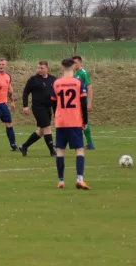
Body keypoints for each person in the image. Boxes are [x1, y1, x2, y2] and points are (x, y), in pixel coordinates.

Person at [51, 58, 90, 190]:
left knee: (60, 150)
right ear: (74, 67)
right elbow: (84, 103)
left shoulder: (56, 83)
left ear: (62, 68)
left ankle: (61, 181)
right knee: (79, 150)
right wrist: (85, 120)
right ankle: (79, 179)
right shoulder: (78, 82)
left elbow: (54, 103)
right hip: (74, 120)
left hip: (61, 121)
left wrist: (57, 115)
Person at [19, 61, 57, 157]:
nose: (40, 70)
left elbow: (56, 94)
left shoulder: (53, 79)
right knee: (47, 127)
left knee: (40, 131)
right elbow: (25, 93)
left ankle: (24, 146)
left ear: (47, 69)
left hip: (48, 107)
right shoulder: (33, 79)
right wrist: (25, 106)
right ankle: (52, 152)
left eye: (42, 68)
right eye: (38, 68)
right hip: (38, 108)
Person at [73, 56, 95, 150]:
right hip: (75, 102)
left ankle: (90, 144)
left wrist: (89, 103)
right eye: (73, 63)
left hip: (82, 101)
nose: (74, 64)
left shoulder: (83, 73)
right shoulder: (75, 74)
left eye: (76, 63)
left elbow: (89, 87)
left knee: (83, 121)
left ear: (80, 63)